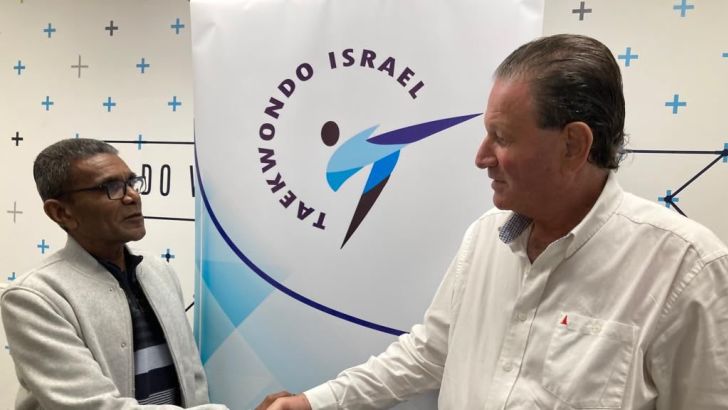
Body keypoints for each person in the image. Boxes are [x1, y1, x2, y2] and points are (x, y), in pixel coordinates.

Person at [257, 34, 728, 409]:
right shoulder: (485, 238)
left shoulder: (684, 269)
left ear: (573, 146)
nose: (481, 157)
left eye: (501, 137)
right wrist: (316, 403)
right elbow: (431, 352)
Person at [1, 138, 228, 409]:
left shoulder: (159, 272)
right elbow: (93, 406)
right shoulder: (34, 297)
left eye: (131, 182)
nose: (132, 196)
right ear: (60, 212)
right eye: (110, 187)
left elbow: (193, 379)